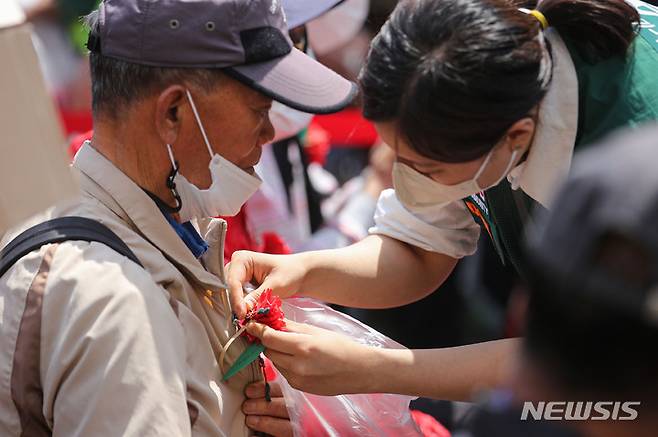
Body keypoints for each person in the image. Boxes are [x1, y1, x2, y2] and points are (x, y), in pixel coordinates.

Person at [227, 0, 658, 401]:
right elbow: (418, 250)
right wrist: (304, 270)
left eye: (427, 169)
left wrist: (380, 370)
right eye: (400, 158)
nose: (408, 181)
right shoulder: (484, 94)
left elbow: (598, 362)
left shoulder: (635, 169)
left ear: (518, 136)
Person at [0, 1, 355, 436]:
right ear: (173, 113)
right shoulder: (115, 301)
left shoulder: (156, 232)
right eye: (260, 109)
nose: (268, 132)